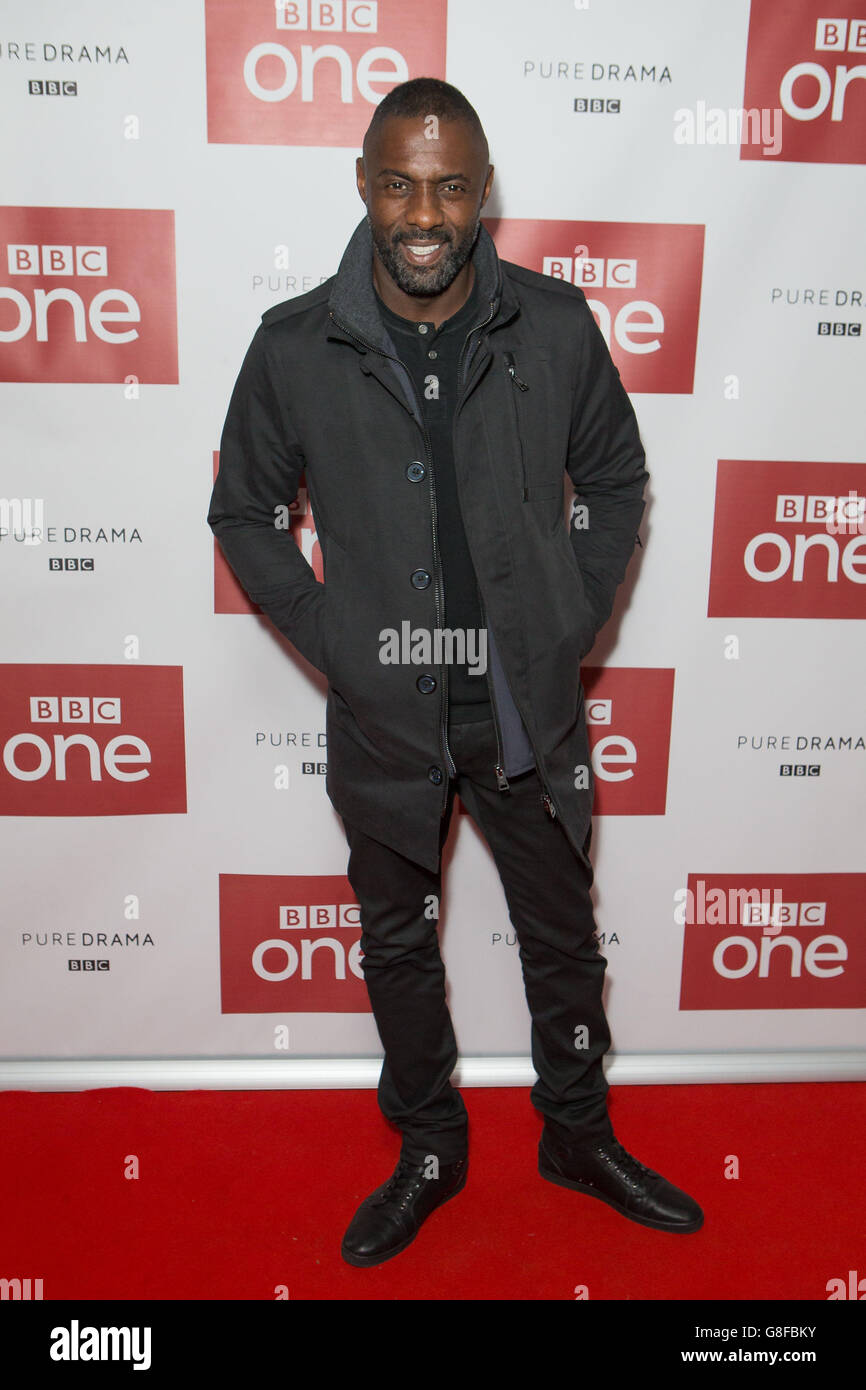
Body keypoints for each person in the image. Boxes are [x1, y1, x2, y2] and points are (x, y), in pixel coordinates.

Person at [208, 77, 703, 1268]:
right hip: (386, 714)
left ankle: (575, 1134)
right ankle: (429, 1146)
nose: (421, 212)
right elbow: (244, 513)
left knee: (561, 940)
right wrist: (339, 643)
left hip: (524, 710)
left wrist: (563, 622)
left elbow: (618, 486)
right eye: (397, 183)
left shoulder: (553, 325)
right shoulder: (294, 346)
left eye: (448, 186)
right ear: (364, 186)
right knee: (396, 941)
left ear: (483, 192)